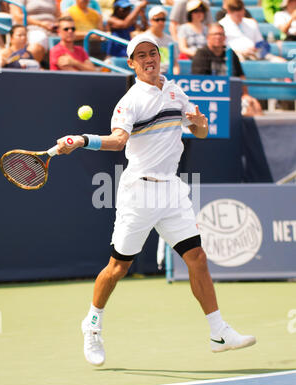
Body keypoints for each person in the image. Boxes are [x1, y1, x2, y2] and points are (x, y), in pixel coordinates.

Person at [55, 33, 256, 366]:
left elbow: (199, 132)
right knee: (118, 267)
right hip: (139, 193)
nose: (149, 59)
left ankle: (218, 331)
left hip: (172, 191)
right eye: (141, 55)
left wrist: (199, 123)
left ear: (159, 58)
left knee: (197, 257)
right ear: (132, 63)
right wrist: (82, 139)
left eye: (153, 53)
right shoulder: (130, 101)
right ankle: (92, 324)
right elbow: (118, 141)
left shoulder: (175, 90)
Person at [192, 23, 262, 116]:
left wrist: (245, 94)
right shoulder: (201, 54)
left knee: (254, 105)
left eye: (221, 34)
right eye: (215, 34)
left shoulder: (230, 53)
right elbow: (199, 82)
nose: (218, 37)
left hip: (232, 96)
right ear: (208, 37)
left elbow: (241, 76)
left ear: (225, 37)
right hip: (210, 98)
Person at [219, 0, 286, 61]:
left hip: (255, 55)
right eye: (237, 15)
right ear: (229, 11)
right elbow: (222, 48)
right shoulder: (221, 25)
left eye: (241, 13)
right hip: (235, 58)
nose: (240, 17)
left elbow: (261, 43)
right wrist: (240, 52)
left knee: (280, 61)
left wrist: (256, 49)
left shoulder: (251, 23)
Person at [145, 5, 180, 74]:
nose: (161, 22)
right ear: (150, 21)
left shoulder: (170, 40)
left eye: (163, 19)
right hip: (151, 75)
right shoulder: (143, 39)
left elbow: (175, 64)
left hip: (168, 76)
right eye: (157, 20)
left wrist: (174, 77)